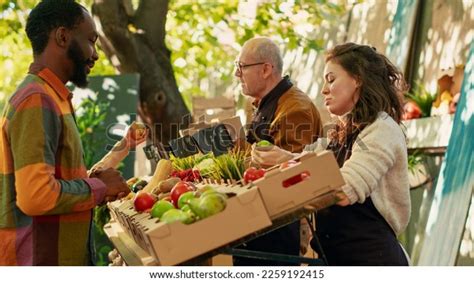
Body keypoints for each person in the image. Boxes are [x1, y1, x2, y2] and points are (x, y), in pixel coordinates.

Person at [252, 43, 411, 265]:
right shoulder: (342, 132)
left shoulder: (381, 129)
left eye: (331, 79)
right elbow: (314, 158)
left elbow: (345, 189)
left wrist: (291, 169)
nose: (324, 90)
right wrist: (282, 158)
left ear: (357, 79)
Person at [0, 0, 131, 266]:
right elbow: (36, 196)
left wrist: (113, 162)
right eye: (91, 41)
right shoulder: (36, 99)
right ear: (62, 36)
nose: (95, 54)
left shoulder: (53, 96)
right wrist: (100, 187)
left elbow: (61, 179)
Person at [234, 37, 322, 266]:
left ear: (265, 69)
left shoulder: (295, 109)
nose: (236, 74)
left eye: (241, 66)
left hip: (275, 235)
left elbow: (290, 185)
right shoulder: (268, 102)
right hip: (257, 225)